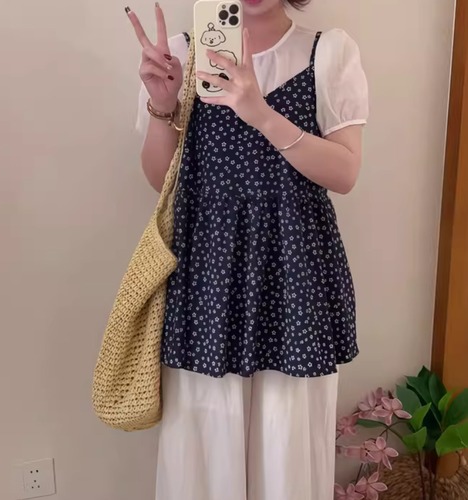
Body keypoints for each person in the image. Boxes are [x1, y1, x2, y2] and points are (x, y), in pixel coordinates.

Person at [127, 0, 368, 498]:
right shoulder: (183, 54)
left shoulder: (327, 52)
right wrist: (163, 105)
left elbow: (344, 173)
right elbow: (160, 180)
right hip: (208, 275)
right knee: (205, 436)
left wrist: (261, 114)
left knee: (288, 435)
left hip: (294, 274)